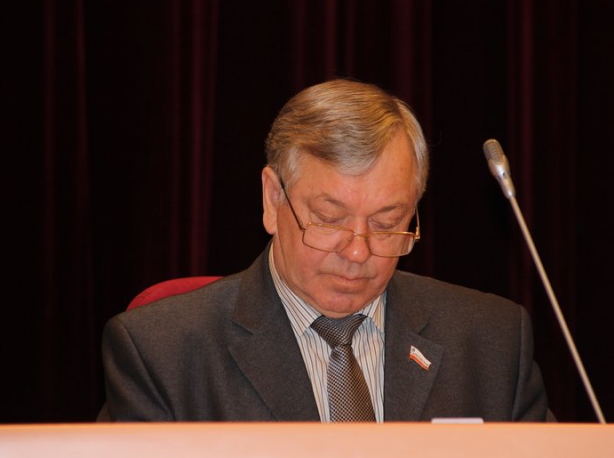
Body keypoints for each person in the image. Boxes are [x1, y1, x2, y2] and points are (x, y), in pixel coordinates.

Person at [97, 78, 551, 422]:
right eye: (330, 219)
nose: (357, 252)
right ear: (273, 199)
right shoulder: (163, 354)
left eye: (386, 223)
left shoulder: (492, 344)